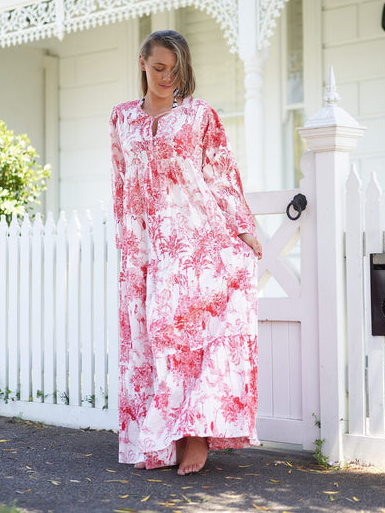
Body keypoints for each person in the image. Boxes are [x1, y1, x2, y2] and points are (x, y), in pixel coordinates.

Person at [109, 30, 262, 476]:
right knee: (152, 339)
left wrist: (245, 231)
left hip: (196, 241)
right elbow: (121, 183)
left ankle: (196, 438)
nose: (167, 78)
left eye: (175, 71)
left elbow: (220, 176)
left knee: (189, 336)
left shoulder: (199, 116)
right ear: (142, 63)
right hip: (144, 247)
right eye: (159, 68)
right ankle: (161, 438)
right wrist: (125, 243)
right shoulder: (121, 118)